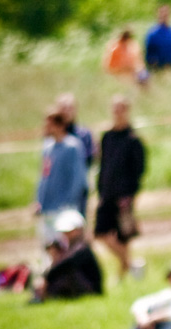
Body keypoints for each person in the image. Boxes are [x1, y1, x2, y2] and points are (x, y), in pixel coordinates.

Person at [95, 96, 148, 282]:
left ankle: (123, 273)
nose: (117, 113)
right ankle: (130, 264)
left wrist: (131, 195)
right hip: (107, 194)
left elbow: (139, 171)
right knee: (101, 233)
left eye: (121, 109)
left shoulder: (133, 140)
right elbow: (102, 165)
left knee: (124, 236)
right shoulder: (107, 137)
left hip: (124, 197)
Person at [35, 110, 88, 249]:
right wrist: (39, 201)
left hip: (64, 207)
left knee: (64, 246)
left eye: (50, 125)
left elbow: (78, 179)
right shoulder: (48, 147)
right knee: (48, 245)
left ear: (59, 125)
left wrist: (69, 202)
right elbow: (44, 176)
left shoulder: (72, 147)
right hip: (47, 207)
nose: (46, 128)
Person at [33, 210, 103, 302]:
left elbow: (67, 264)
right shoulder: (70, 247)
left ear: (79, 230)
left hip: (91, 291)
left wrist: (46, 278)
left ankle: (46, 296)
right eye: (64, 232)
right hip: (82, 289)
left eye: (70, 231)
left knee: (68, 273)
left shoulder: (82, 248)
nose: (66, 235)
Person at [144, 5, 171, 71]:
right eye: (162, 14)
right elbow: (149, 53)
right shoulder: (152, 34)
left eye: (166, 14)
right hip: (158, 69)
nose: (164, 16)